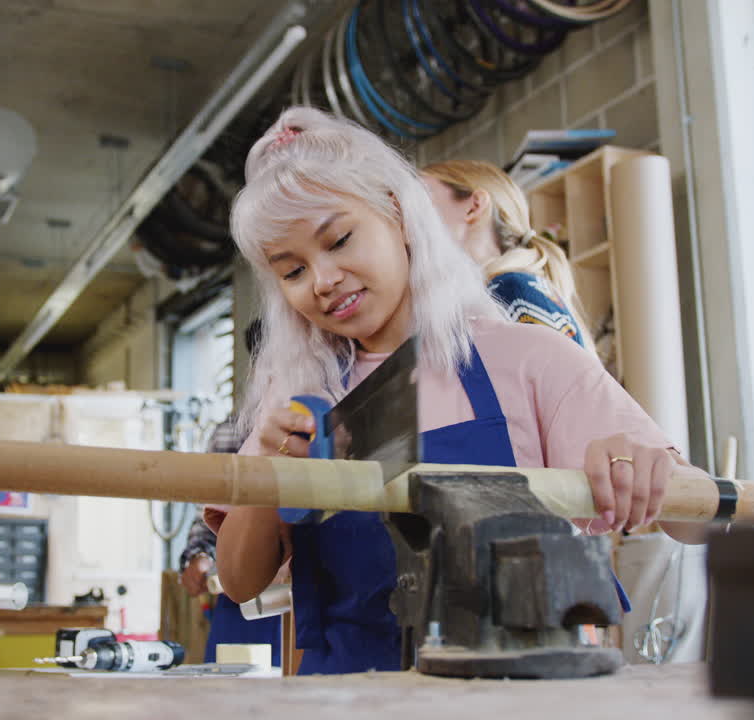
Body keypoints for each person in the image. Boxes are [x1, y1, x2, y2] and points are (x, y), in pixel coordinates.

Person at [210, 106, 705, 675]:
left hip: (519, 699)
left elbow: (696, 521)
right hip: (348, 701)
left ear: (398, 215)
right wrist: (272, 473)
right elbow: (239, 580)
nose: (323, 281)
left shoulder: (525, 358)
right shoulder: (299, 402)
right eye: (292, 271)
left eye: (340, 239)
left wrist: (646, 470)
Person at [178, 320, 281, 666]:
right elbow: (210, 512)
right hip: (245, 596)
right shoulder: (234, 432)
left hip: (313, 593)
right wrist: (198, 556)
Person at [421, 160, 589, 347]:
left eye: (422, 200)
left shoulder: (513, 292)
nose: (409, 216)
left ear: (474, 206)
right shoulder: (500, 294)